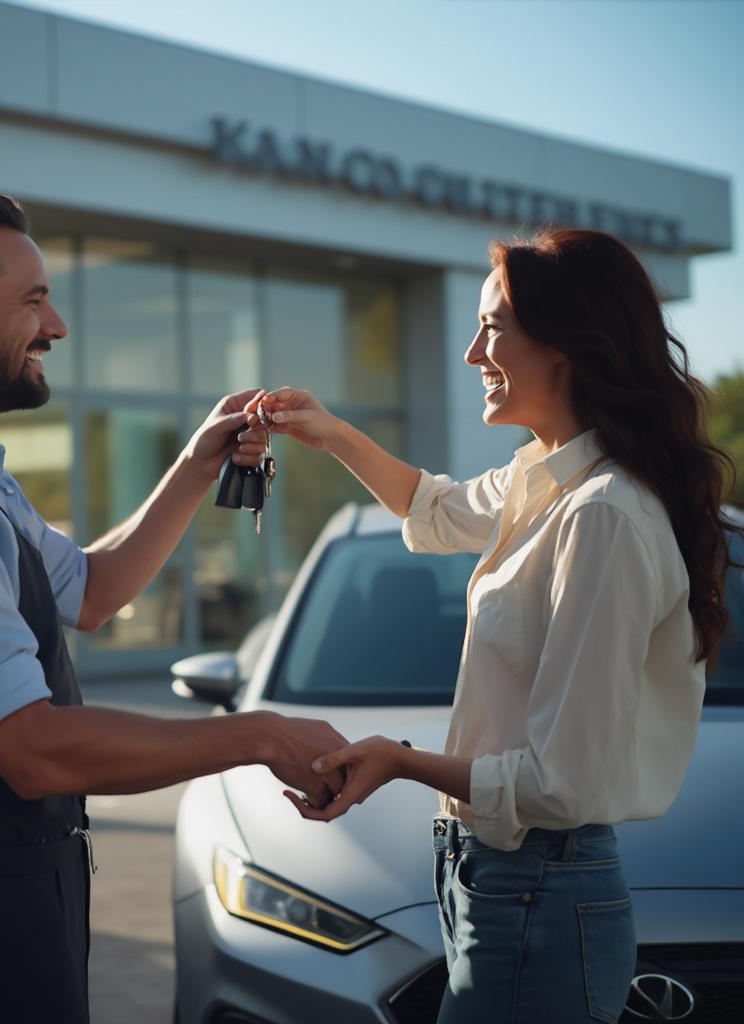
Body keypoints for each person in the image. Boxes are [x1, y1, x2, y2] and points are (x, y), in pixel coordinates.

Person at [0, 193, 346, 1024]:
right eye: (32, 300)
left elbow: (94, 592)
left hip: (11, 902)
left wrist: (197, 463)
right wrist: (261, 735)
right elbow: (33, 751)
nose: (57, 326)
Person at [234, 228, 741, 1023]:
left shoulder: (601, 516)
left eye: (493, 327)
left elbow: (556, 784)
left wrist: (401, 762)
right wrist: (329, 432)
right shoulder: (543, 481)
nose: (473, 352)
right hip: (503, 880)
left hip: (536, 887)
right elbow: (433, 508)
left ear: (568, 344)